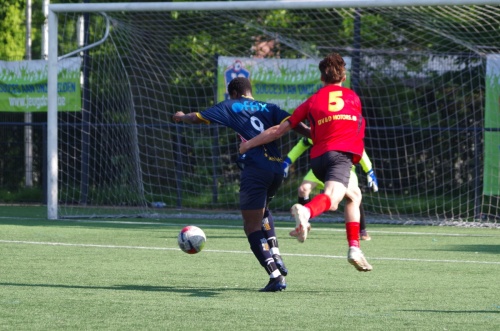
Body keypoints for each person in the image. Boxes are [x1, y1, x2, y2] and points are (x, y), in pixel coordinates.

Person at [172, 77, 310, 291]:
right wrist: (313, 134)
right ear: (249, 90)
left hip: (255, 169)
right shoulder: (270, 107)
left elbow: (196, 117)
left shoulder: (230, 105)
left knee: (251, 225)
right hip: (276, 169)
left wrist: (181, 117)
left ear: (233, 93)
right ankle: (275, 254)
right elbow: (295, 124)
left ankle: (275, 276)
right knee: (264, 212)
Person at [239, 53, 373, 272]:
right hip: (339, 155)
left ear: (321, 78)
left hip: (319, 158)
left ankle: (355, 247)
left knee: (354, 195)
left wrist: (249, 144)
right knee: (332, 198)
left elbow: (279, 130)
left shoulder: (312, 101)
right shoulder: (352, 98)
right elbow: (356, 128)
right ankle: (306, 212)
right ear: (344, 76)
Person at [283, 138, 378, 241]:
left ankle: (362, 230)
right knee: (303, 189)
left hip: (344, 169)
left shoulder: (344, 132)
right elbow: (302, 143)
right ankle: (303, 224)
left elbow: (360, 149)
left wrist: (369, 171)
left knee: (353, 195)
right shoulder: (318, 129)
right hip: (322, 168)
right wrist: (288, 161)